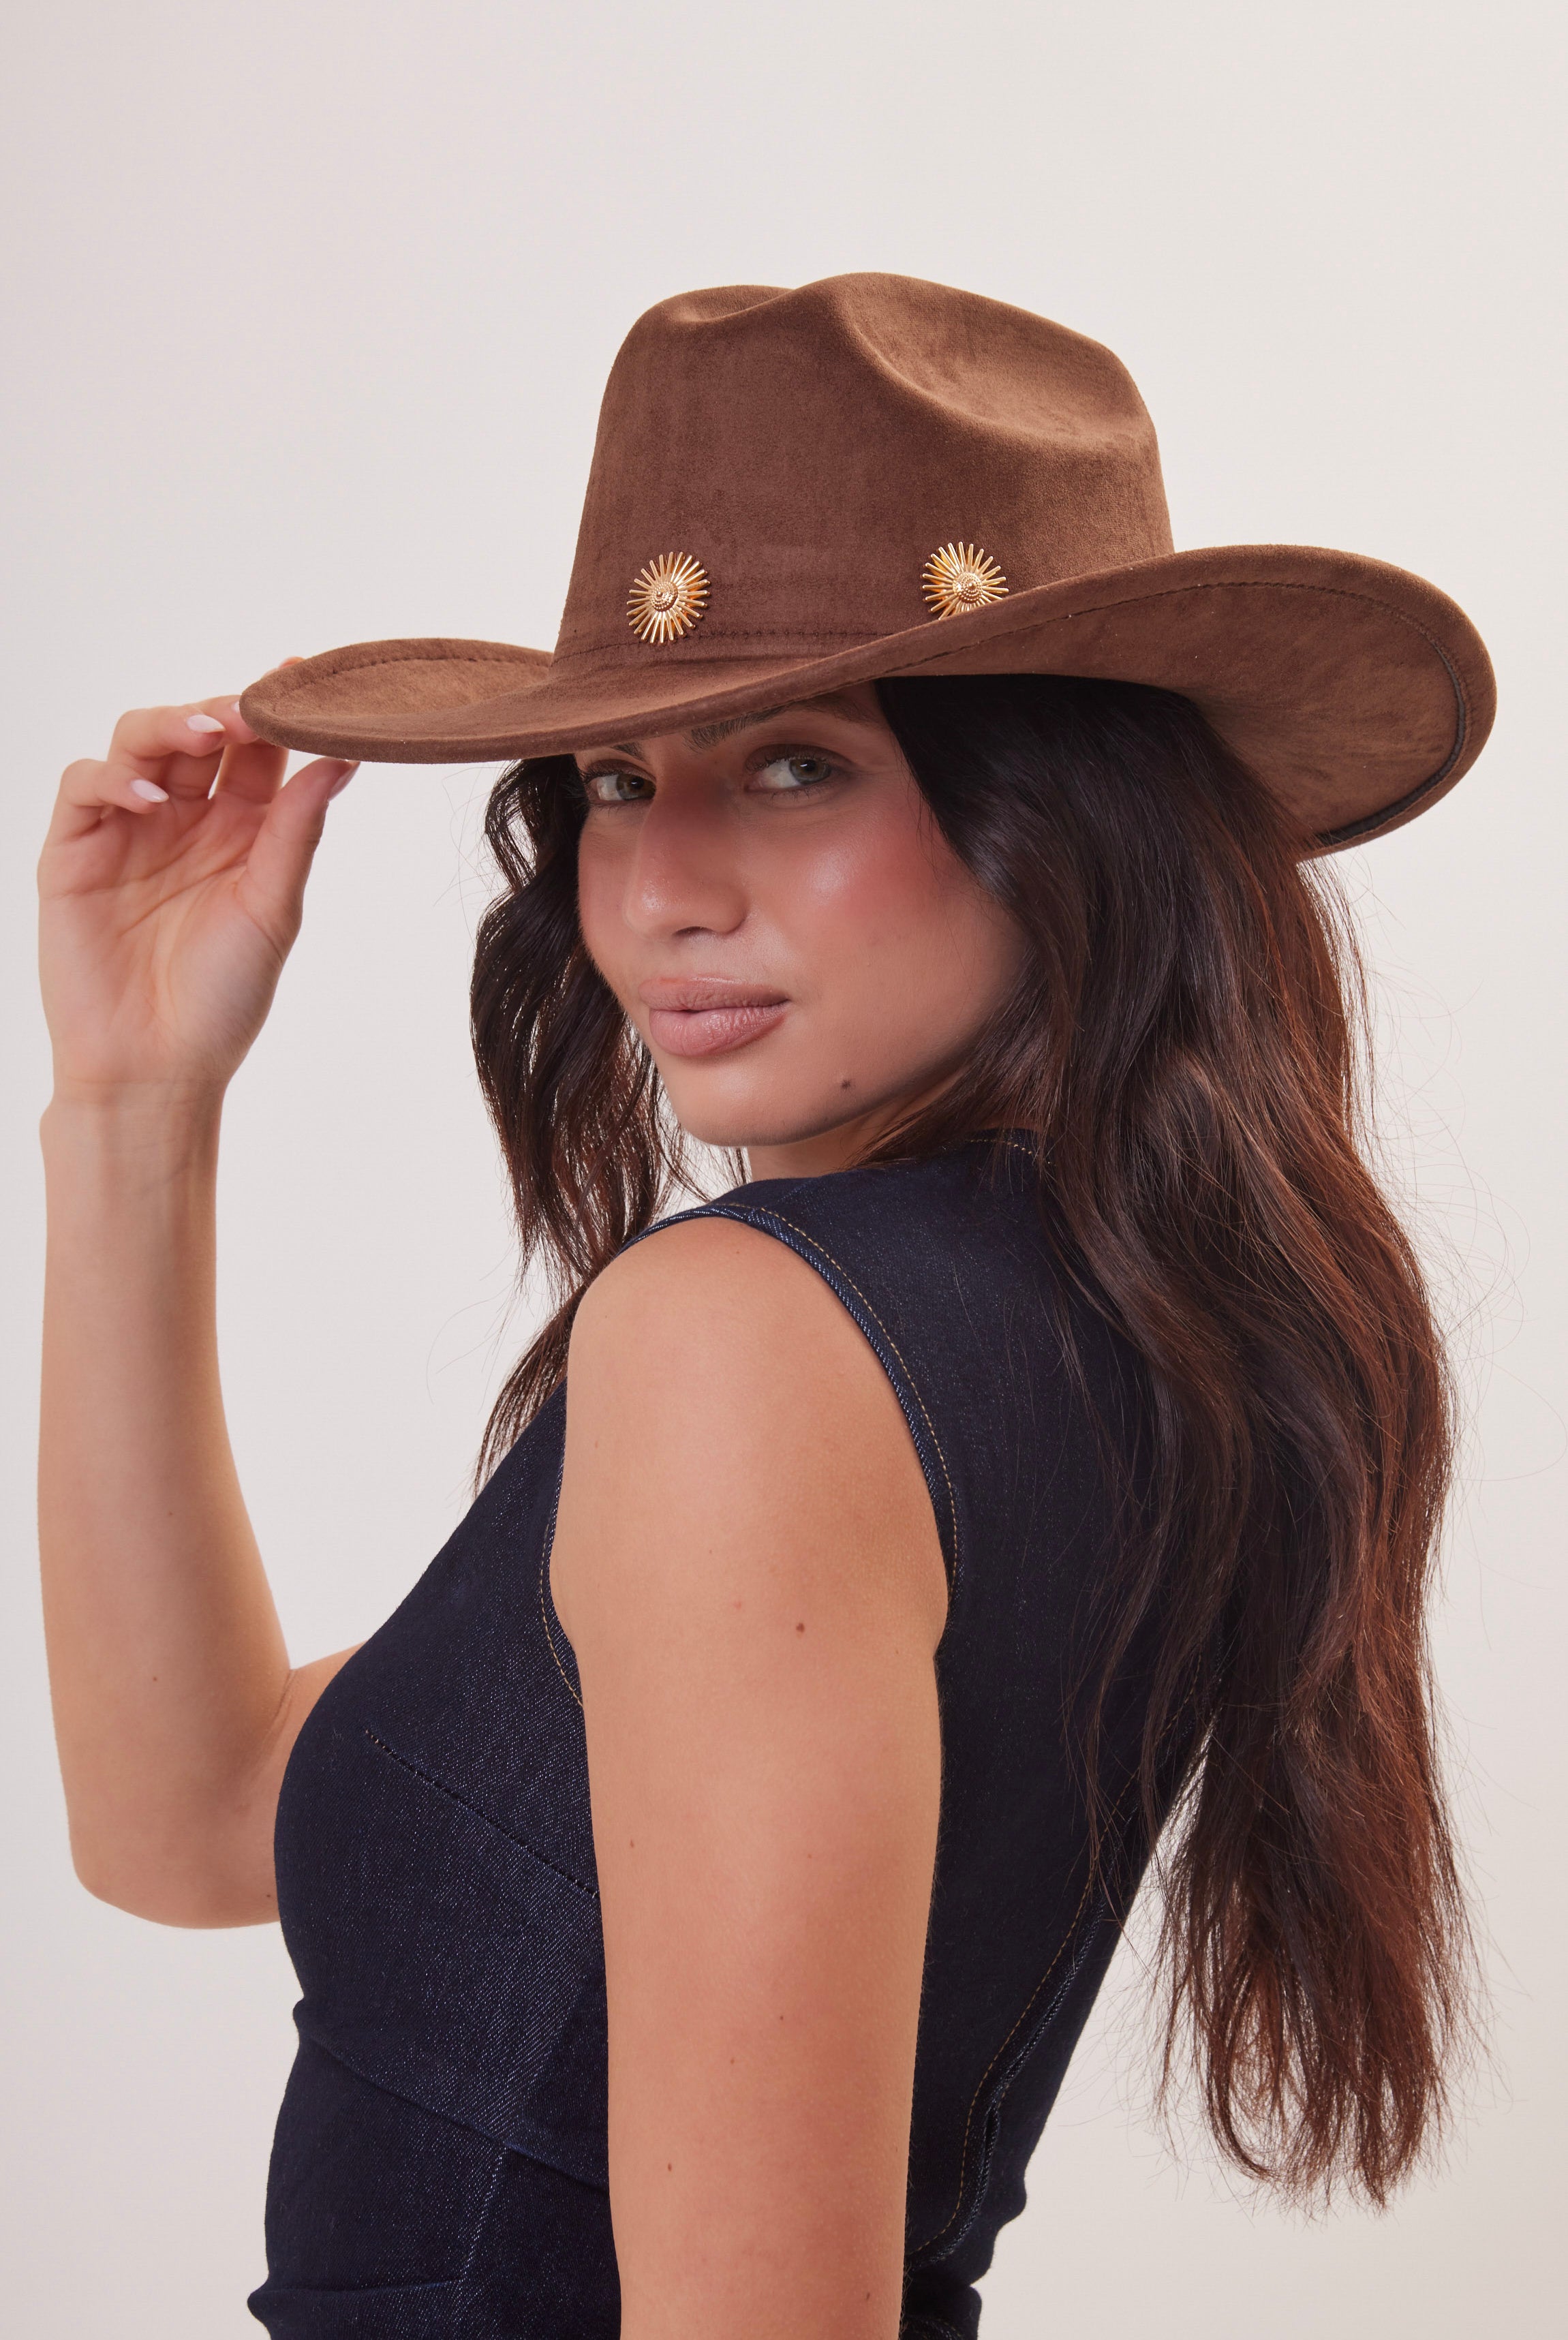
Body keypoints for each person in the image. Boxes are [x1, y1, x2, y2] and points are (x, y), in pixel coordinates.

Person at [35, 275, 1493, 2339]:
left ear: (1067, 811)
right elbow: (184, 1818)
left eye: (798, 763)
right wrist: (131, 1103)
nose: (657, 888)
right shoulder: (1083, 1330)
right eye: (619, 780)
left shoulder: (753, 1343)